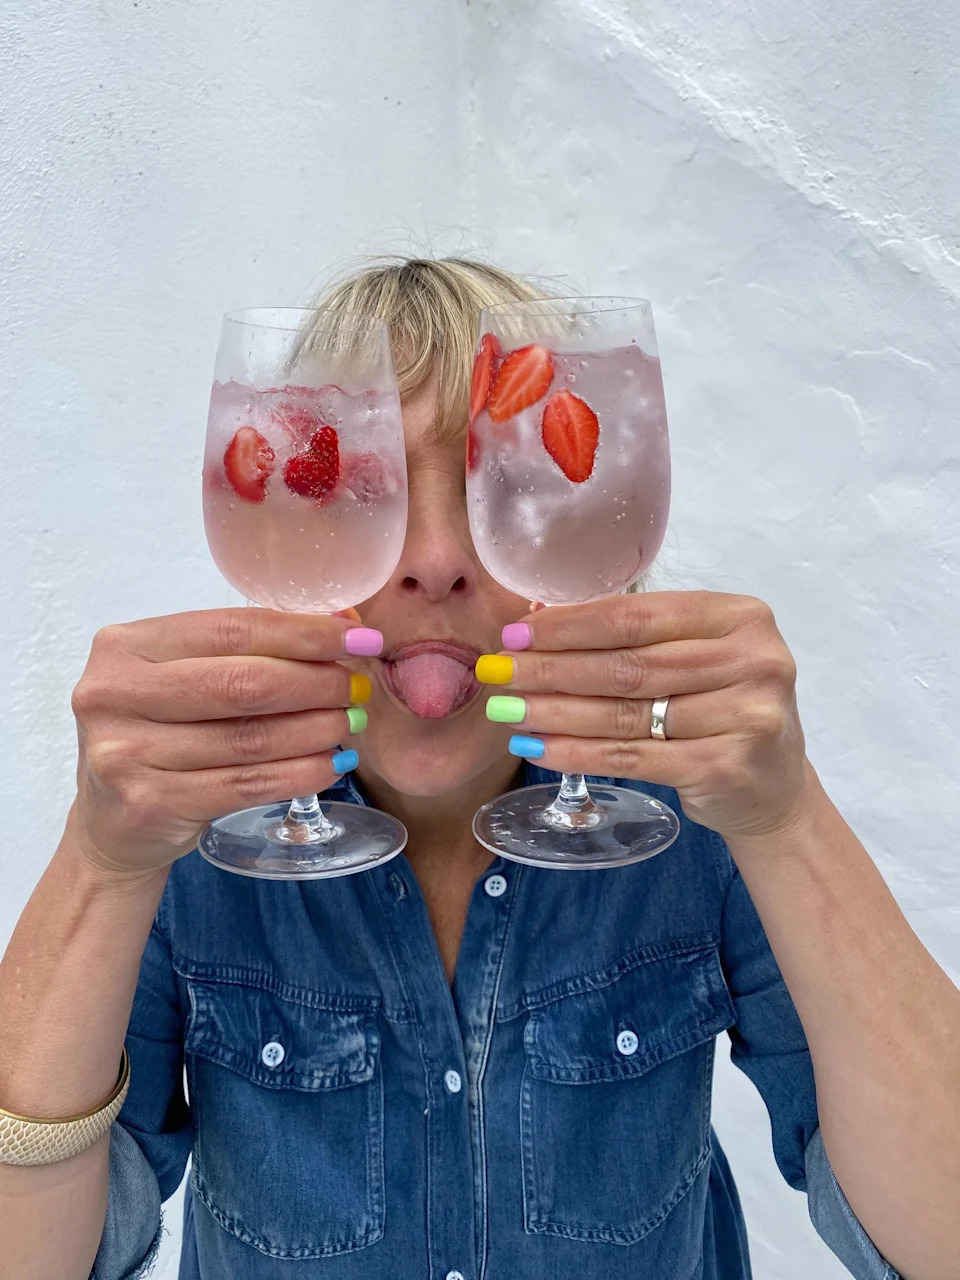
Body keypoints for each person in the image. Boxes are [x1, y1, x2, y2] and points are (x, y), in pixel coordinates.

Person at [1, 257, 958, 1280]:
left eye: (504, 484)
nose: (434, 561)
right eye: (360, 487)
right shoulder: (195, 830)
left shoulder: (693, 810)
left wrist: (789, 818)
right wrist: (99, 863)